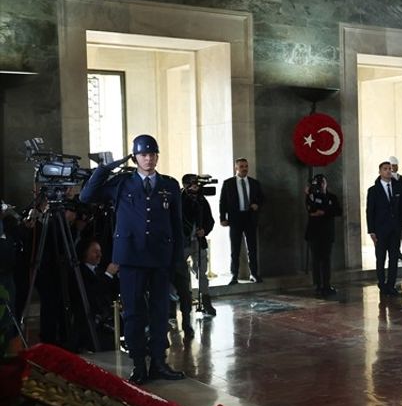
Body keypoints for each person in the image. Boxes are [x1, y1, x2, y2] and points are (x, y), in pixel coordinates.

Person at [80, 134, 185, 385]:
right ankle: (139, 364)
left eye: (152, 154)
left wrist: (177, 260)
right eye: (143, 154)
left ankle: (159, 363)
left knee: (161, 313)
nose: (148, 159)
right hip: (130, 258)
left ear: (157, 156)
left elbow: (177, 225)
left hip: (160, 258)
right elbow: (87, 196)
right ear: (135, 157)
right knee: (134, 314)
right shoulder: (121, 183)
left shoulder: (169, 185)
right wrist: (107, 167)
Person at [218, 157, 264, 283]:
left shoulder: (254, 183)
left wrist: (257, 204)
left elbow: (262, 198)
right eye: (242, 166)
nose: (244, 169)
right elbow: (223, 202)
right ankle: (234, 275)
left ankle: (254, 274)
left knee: (252, 248)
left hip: (250, 218)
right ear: (236, 168)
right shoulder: (228, 183)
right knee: (235, 249)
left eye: (246, 166)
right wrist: (222, 218)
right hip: (235, 219)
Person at [180, 174, 216, 317]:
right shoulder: (179, 200)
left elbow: (210, 221)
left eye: (197, 184)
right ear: (185, 185)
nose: (196, 187)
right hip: (183, 242)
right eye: (192, 184)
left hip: (199, 241)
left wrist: (204, 230)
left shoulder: (202, 201)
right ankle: (186, 302)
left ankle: (206, 302)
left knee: (201, 272)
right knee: (182, 273)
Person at [366, 161, 402, 296]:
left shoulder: (397, 187)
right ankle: (382, 284)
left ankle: (391, 285)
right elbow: (370, 211)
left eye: (390, 169)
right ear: (380, 172)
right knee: (380, 258)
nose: (388, 171)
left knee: (393, 258)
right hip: (381, 229)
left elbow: (401, 208)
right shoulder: (373, 190)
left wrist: (401, 226)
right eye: (385, 169)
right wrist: (371, 230)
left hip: (395, 229)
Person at [305, 173, 342, 297]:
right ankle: (318, 285)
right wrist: (309, 195)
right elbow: (311, 210)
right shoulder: (312, 196)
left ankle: (327, 284)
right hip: (314, 233)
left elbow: (337, 211)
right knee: (316, 259)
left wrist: (324, 212)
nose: (321, 185)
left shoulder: (332, 197)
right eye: (318, 183)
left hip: (327, 233)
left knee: (326, 259)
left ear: (326, 183)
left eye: (323, 182)